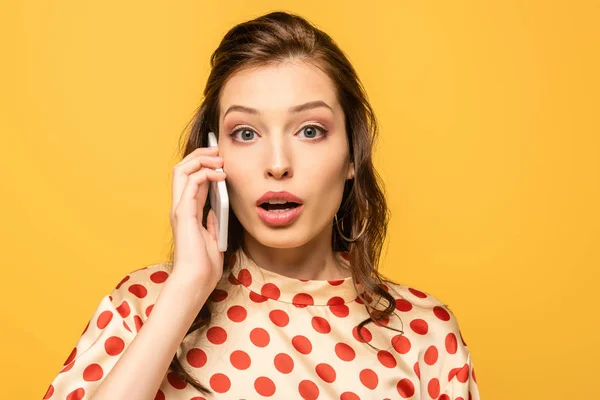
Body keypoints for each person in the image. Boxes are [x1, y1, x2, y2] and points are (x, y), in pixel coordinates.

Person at [44, 11, 480, 400]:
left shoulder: (423, 333)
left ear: (352, 155)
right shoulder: (143, 304)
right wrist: (187, 290)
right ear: (213, 156)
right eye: (246, 133)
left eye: (309, 131)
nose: (276, 165)